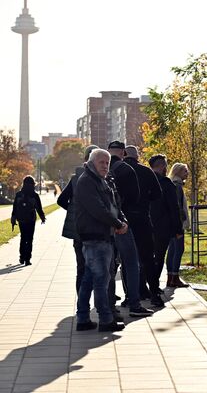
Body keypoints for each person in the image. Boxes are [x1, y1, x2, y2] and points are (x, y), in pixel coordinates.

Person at [73, 148, 126, 332]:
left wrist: (122, 220)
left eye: (107, 163)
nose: (105, 166)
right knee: (101, 281)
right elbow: (97, 209)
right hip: (95, 238)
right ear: (91, 162)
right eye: (101, 162)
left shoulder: (102, 180)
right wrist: (118, 224)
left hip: (102, 236)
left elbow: (114, 205)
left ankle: (82, 319)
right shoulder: (87, 181)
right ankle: (105, 319)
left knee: (89, 279)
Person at [106, 141, 153, 317]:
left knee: (109, 265)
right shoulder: (126, 170)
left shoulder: (97, 171)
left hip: (105, 225)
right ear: (124, 153)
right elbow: (135, 196)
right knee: (131, 262)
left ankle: (109, 305)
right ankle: (133, 302)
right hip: (124, 222)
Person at [123, 145, 164, 307]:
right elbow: (157, 194)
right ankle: (154, 294)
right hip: (143, 218)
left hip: (124, 220)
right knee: (148, 259)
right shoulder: (146, 172)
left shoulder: (119, 171)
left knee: (127, 260)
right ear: (137, 156)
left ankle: (130, 295)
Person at [57, 144, 98, 292]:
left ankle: (82, 301)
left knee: (81, 266)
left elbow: (61, 200)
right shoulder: (101, 178)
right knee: (98, 267)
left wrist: (74, 211)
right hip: (95, 230)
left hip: (79, 230)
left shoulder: (75, 178)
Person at [149, 155, 185, 288]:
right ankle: (154, 286)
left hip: (146, 226)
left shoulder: (144, 181)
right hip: (162, 227)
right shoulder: (165, 183)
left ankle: (145, 287)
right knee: (158, 258)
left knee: (146, 259)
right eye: (165, 165)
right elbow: (174, 208)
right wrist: (178, 229)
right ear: (162, 166)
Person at [11, 176, 46, 266]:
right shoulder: (34, 195)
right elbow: (39, 208)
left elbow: (15, 207)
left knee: (23, 237)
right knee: (29, 239)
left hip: (21, 219)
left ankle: (22, 257)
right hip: (31, 219)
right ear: (33, 184)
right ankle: (27, 259)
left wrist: (13, 217)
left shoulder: (19, 194)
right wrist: (42, 217)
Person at [165, 162, 190, 288]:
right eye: (185, 171)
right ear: (178, 172)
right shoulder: (177, 185)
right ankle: (174, 277)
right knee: (178, 249)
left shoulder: (172, 183)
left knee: (172, 250)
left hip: (170, 223)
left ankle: (170, 277)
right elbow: (178, 207)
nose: (187, 173)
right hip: (177, 223)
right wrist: (181, 222)